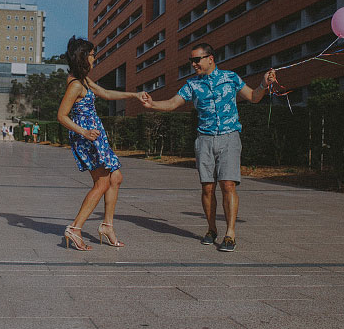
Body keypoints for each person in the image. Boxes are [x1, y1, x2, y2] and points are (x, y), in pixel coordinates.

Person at [143, 43, 276, 253]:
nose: (193, 64)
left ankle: (230, 233)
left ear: (210, 59)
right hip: (204, 139)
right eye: (191, 61)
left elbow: (253, 97)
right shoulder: (192, 84)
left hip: (229, 137)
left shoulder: (230, 78)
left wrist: (263, 84)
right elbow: (173, 103)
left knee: (228, 185)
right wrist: (152, 104)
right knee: (207, 187)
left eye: (197, 60)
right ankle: (211, 229)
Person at [57, 36, 149, 250]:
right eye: (91, 54)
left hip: (96, 137)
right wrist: (84, 132)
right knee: (102, 183)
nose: (94, 58)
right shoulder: (75, 85)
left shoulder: (84, 80)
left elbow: (106, 93)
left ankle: (107, 225)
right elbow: (62, 116)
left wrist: (134, 95)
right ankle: (75, 228)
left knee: (115, 177)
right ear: (83, 57)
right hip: (87, 138)